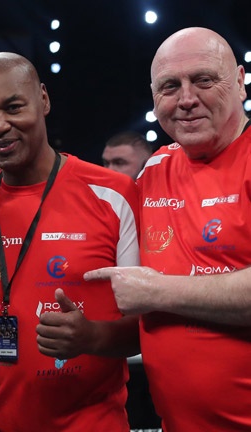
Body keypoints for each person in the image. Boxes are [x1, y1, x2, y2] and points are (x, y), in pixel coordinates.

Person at [0, 52, 141, 431]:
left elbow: (150, 326)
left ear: (44, 100)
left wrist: (93, 337)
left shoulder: (114, 196)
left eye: (13, 107)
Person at [84, 27, 251, 431]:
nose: (187, 99)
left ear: (242, 82)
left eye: (204, 80)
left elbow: (149, 290)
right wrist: (9, 177)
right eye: (170, 86)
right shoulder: (156, 169)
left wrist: (157, 291)